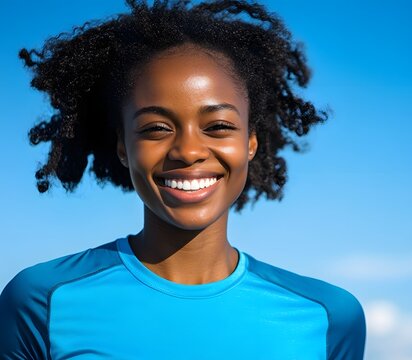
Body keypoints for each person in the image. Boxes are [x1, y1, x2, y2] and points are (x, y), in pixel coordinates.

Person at [0, 1, 366, 359]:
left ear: (250, 142)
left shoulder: (329, 318)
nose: (188, 151)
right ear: (123, 147)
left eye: (218, 126)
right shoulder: (41, 302)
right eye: (156, 128)